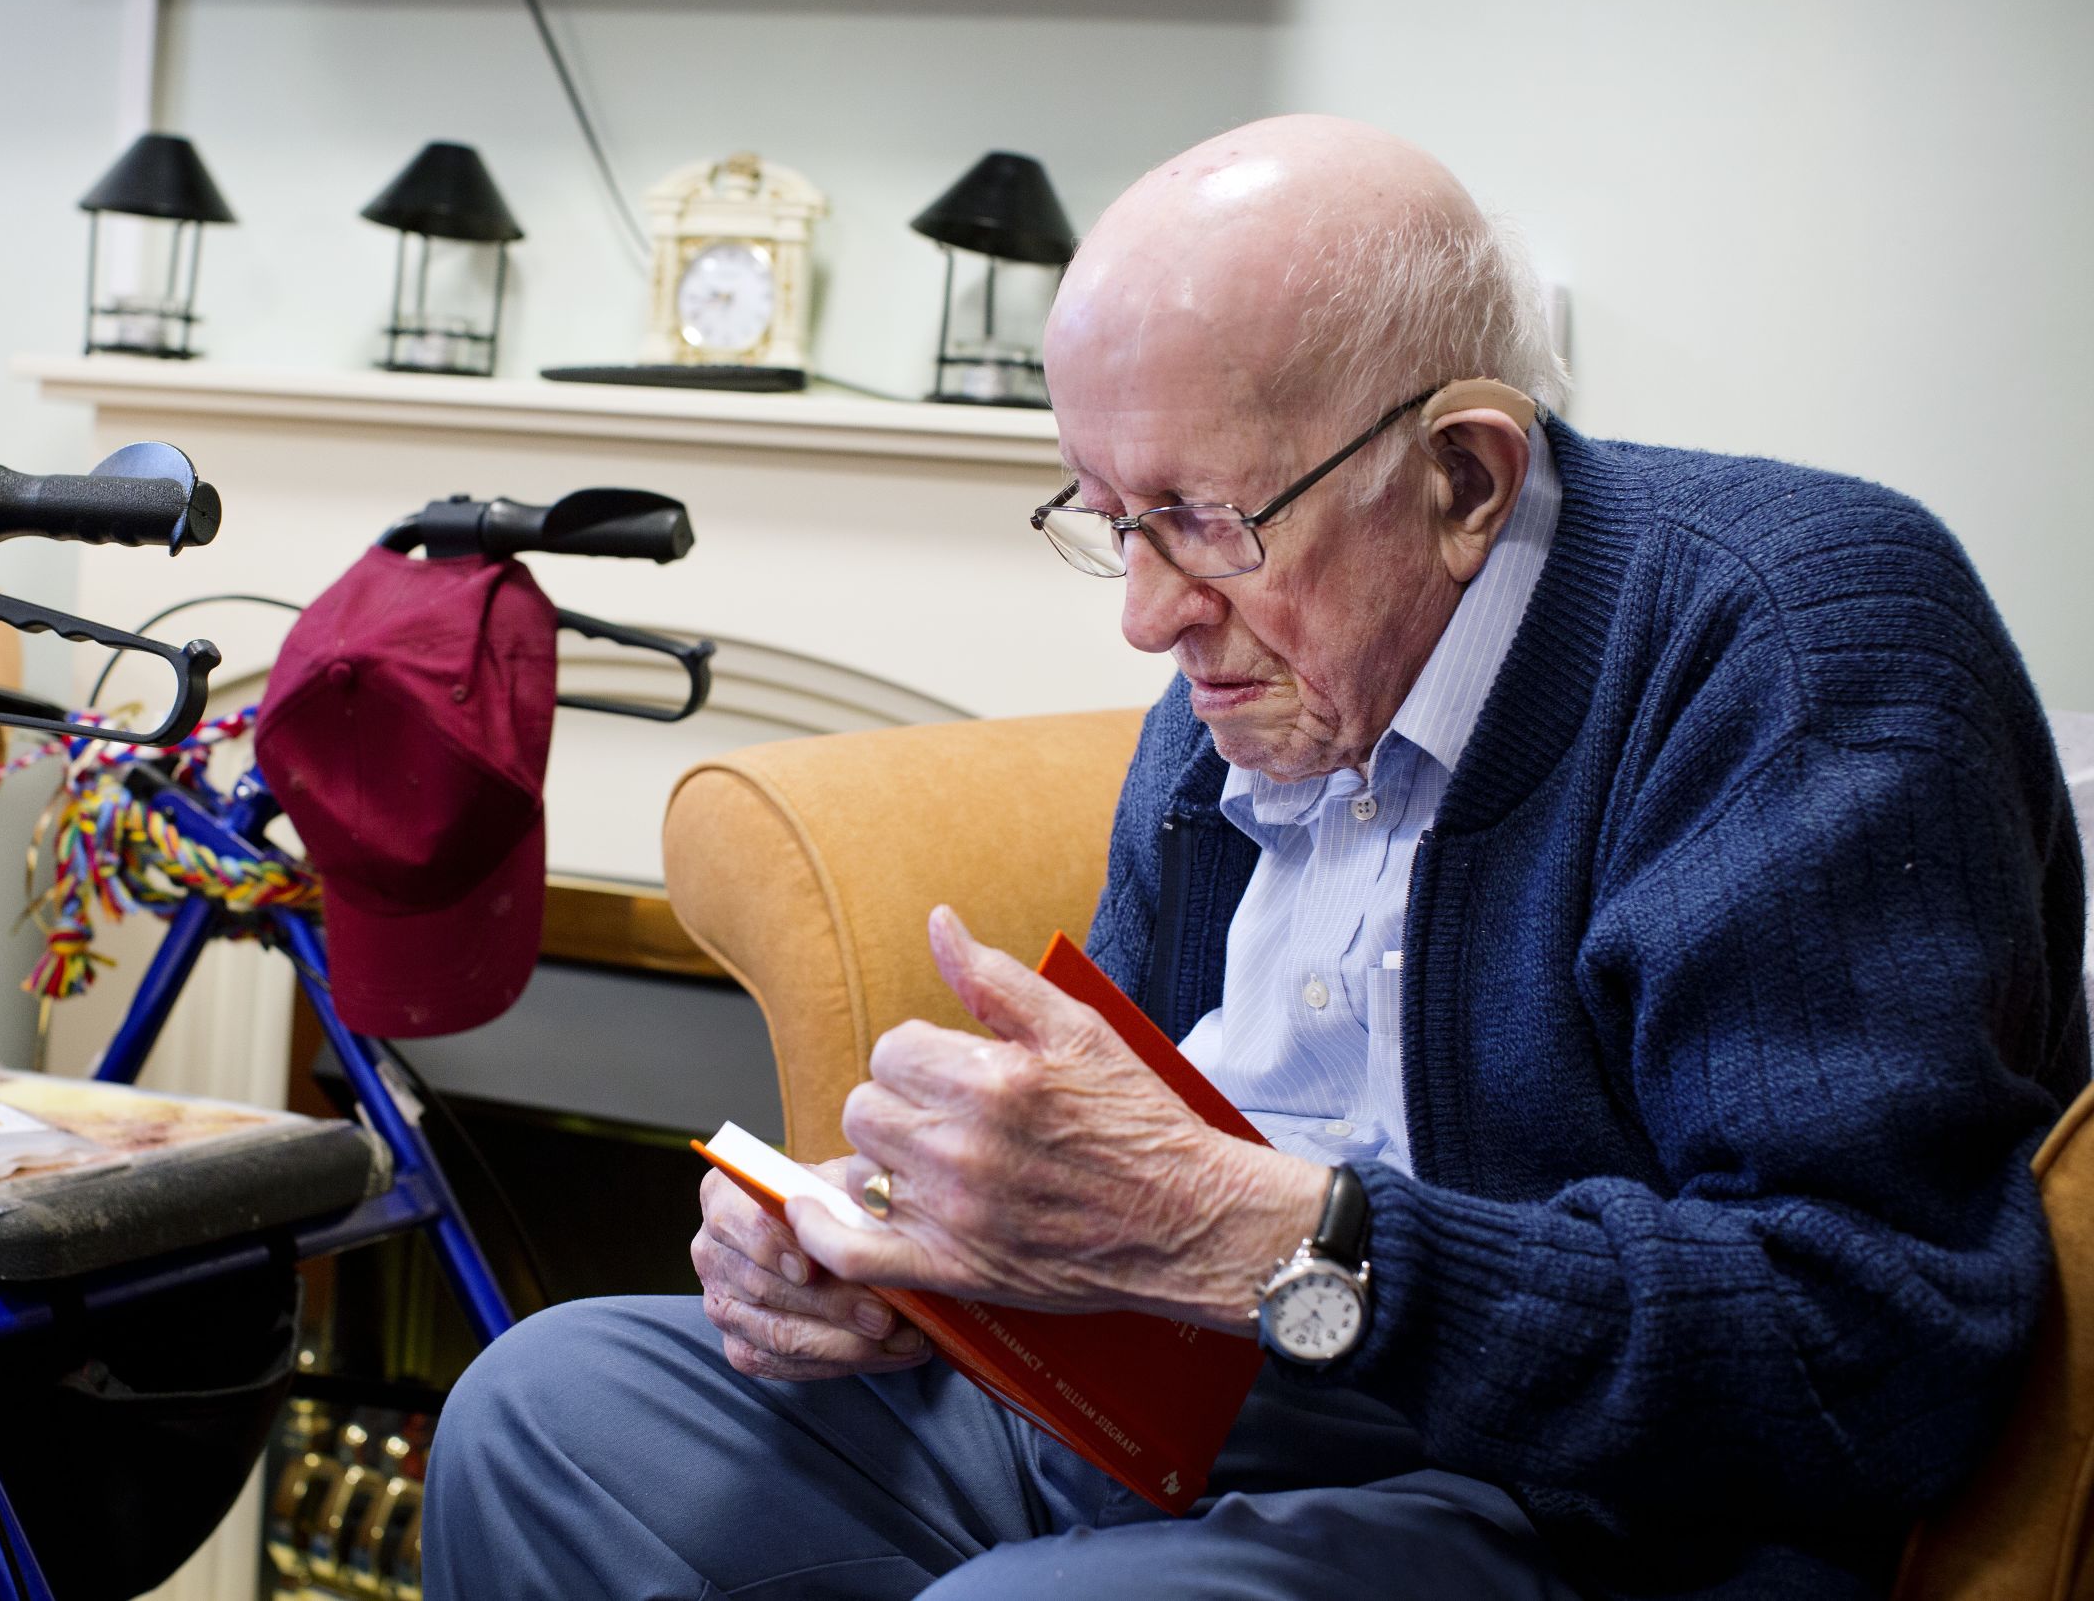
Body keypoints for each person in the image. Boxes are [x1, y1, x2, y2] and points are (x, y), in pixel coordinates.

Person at [421, 116, 2089, 1599]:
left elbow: (1870, 1345)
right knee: (545, 1414)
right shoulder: (1246, 681)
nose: (1151, 615)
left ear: (1464, 475)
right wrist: (898, 1250)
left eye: (1207, 520)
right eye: (1106, 515)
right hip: (1179, 1399)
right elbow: (1128, 1150)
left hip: (1570, 1507)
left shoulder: (1794, 643)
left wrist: (1274, 1245)